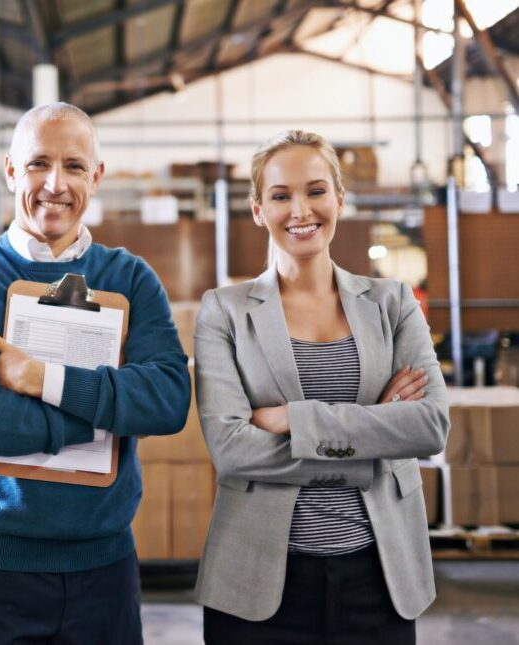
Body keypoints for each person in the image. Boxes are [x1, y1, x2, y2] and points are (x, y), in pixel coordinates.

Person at [0, 102, 190, 644]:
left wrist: (41, 380)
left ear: (97, 177)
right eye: (37, 164)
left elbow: (167, 400)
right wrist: (107, 414)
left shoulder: (130, 278)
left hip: (105, 567)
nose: (55, 184)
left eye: (73, 166)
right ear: (9, 171)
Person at [193, 129, 449, 644]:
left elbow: (430, 425)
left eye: (315, 191)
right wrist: (373, 442)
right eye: (280, 195)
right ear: (258, 209)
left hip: (379, 576)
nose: (300, 210)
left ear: (340, 199)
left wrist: (295, 420)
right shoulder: (224, 311)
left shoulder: (392, 303)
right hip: (258, 579)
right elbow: (232, 450)